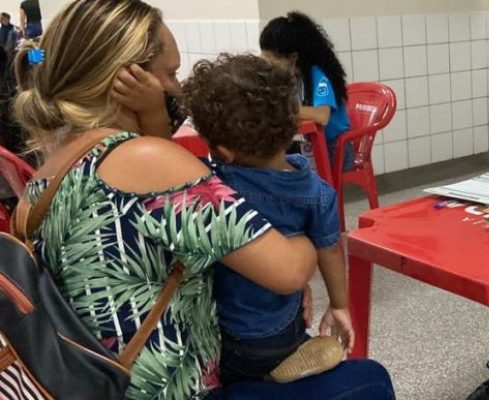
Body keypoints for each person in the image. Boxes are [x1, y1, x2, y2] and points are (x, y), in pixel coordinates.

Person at [13, 1, 393, 399]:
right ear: (126, 78)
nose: (177, 88)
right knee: (369, 380)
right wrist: (304, 232)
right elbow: (290, 271)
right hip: (175, 388)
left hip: (95, 381)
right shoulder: (149, 161)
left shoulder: (46, 174)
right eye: (171, 73)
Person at [182, 54, 355, 385]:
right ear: (292, 125)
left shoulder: (215, 186)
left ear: (224, 151)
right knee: (277, 350)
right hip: (284, 330)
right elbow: (331, 251)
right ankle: (279, 368)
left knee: (233, 372)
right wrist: (339, 306)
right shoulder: (318, 192)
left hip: (229, 333)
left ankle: (253, 382)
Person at [259, 12, 355, 172]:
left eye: (271, 59)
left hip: (336, 150)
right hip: (312, 144)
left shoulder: (318, 75)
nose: (268, 65)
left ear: (293, 58)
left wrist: (283, 109)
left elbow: (321, 116)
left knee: (280, 169)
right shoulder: (292, 76)